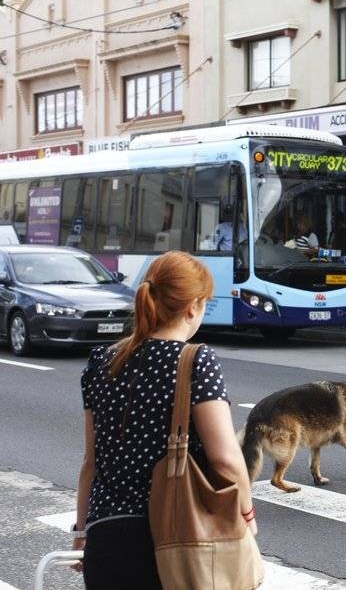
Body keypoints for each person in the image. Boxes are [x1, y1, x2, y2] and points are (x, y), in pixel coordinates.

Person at [73, 251, 257, 589]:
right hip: (173, 538)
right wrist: (246, 513)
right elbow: (225, 458)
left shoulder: (101, 362)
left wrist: (82, 531)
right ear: (193, 307)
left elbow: (91, 461)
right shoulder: (196, 361)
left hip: (105, 536)